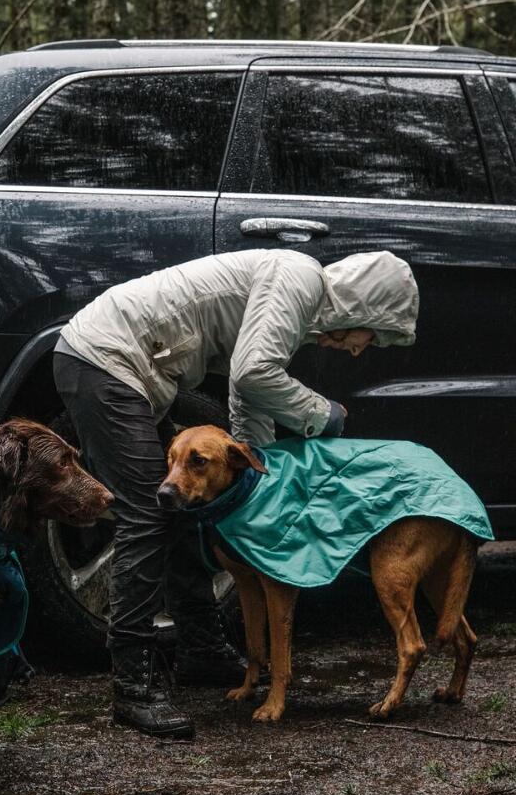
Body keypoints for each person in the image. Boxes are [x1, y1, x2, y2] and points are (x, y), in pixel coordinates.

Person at [53, 249, 419, 739]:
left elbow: (247, 393)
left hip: (127, 368)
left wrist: (265, 474)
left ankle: (201, 650)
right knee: (147, 513)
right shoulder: (299, 278)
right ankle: (133, 686)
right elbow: (253, 374)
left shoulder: (299, 304)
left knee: (184, 506)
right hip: (103, 360)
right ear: (363, 307)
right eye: (370, 337)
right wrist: (321, 414)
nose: (357, 350)